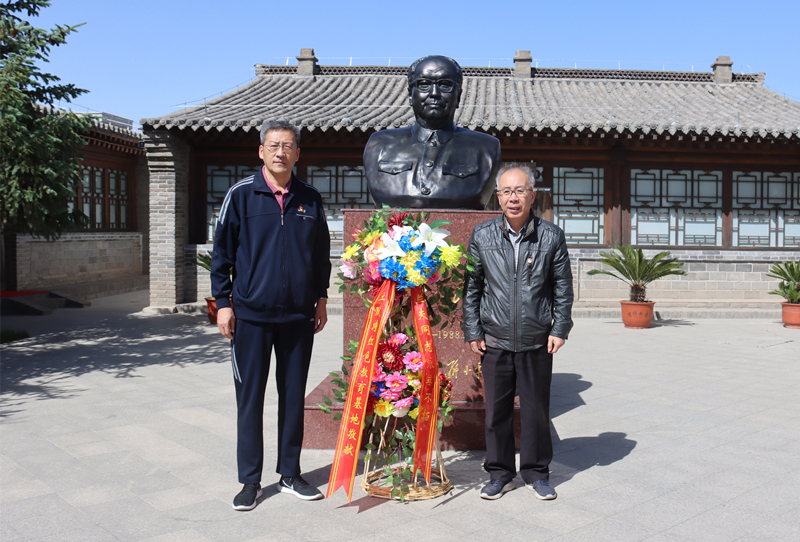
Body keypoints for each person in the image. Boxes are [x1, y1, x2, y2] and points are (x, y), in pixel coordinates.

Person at [211, 120, 331, 511]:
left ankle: (291, 474)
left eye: (288, 146)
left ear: (298, 154)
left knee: (293, 397)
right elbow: (222, 254)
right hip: (251, 316)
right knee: (250, 398)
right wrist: (223, 303)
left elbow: (320, 255)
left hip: (298, 316)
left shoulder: (310, 198)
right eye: (274, 145)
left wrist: (321, 299)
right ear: (261, 151)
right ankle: (250, 480)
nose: (281, 152)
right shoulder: (241, 195)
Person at [461, 163, 574, 501]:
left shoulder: (551, 236)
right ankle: (500, 474)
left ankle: (537, 473)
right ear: (498, 197)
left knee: (536, 411)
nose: (514, 198)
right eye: (507, 191)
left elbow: (563, 288)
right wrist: (473, 330)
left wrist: (559, 328)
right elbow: (472, 288)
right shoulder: (482, 235)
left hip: (536, 339)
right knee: (496, 413)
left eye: (520, 191)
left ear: (532, 195)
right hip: (494, 340)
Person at [363, 55, 501, 209]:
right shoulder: (379, 144)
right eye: (424, 84)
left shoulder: (486, 147)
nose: (434, 93)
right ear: (410, 94)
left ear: (458, 96)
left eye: (445, 85)